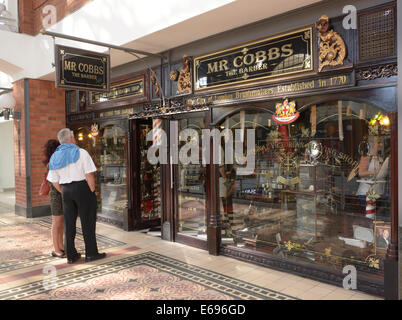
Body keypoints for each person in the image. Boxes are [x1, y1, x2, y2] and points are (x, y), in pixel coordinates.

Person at [47, 128, 106, 264]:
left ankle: (71, 255)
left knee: (69, 223)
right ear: (72, 138)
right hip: (82, 188)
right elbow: (89, 174)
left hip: (66, 190)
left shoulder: (55, 156)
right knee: (87, 221)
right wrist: (92, 190)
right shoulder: (81, 152)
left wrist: (64, 191)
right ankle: (91, 253)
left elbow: (53, 179)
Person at [356, 135, 389, 218]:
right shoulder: (366, 157)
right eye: (378, 142)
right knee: (370, 216)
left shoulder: (380, 158)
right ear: (371, 143)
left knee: (375, 217)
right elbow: (361, 173)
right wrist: (376, 172)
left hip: (378, 192)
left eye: (381, 142)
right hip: (367, 192)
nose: (381, 144)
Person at [43, 139, 65, 258]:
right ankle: (56, 249)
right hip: (56, 196)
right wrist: (63, 192)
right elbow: (53, 180)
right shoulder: (52, 162)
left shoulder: (55, 161)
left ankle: (61, 246)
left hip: (60, 195)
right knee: (56, 223)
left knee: (60, 223)